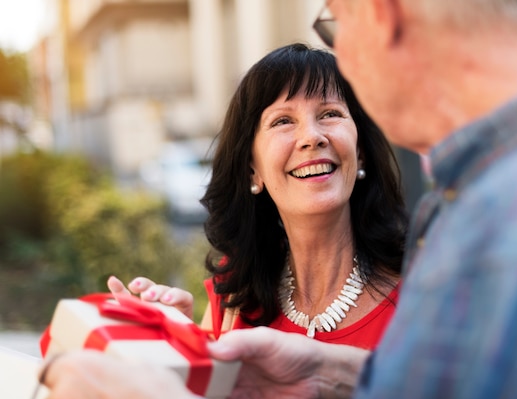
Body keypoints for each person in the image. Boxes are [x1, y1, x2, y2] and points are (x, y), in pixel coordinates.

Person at [41, 0, 517, 399]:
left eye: (333, 25)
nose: (312, 137)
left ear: (380, 14)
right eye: (283, 122)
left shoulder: (514, 229)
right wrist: (327, 375)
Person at [109, 42, 407, 350]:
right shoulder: (235, 298)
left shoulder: (421, 295)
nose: (311, 137)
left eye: (330, 113)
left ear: (360, 153)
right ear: (253, 170)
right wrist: (181, 351)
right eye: (282, 121)